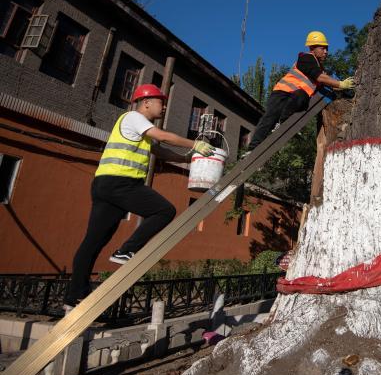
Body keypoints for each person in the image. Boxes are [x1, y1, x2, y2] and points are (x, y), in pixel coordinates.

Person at [64, 84, 215, 311]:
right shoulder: (133, 117)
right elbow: (164, 137)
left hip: (106, 185)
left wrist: (188, 159)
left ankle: (74, 296)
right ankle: (127, 250)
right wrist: (195, 144)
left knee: (94, 241)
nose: (163, 107)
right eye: (160, 102)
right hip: (120, 183)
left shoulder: (139, 129)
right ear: (146, 103)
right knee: (164, 211)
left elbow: (160, 151)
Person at [244, 31, 354, 154]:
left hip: (296, 96)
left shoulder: (319, 67)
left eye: (326, 48)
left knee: (301, 96)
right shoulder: (306, 58)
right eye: (322, 48)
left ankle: (282, 122)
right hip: (282, 92)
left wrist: (346, 87)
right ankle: (252, 148)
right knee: (269, 118)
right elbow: (320, 78)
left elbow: (327, 83)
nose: (326, 51)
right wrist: (341, 84)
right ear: (313, 48)